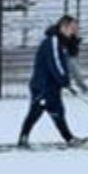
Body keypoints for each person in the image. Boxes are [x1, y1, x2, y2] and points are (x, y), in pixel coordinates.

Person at [18, 15, 84, 148]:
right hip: (43, 85)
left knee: (56, 111)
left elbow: (69, 58)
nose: (74, 32)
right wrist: (64, 80)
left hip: (52, 85)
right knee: (37, 111)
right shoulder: (53, 41)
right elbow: (55, 62)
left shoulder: (62, 42)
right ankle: (23, 138)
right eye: (72, 28)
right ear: (63, 27)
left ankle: (69, 139)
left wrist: (74, 42)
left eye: (76, 29)